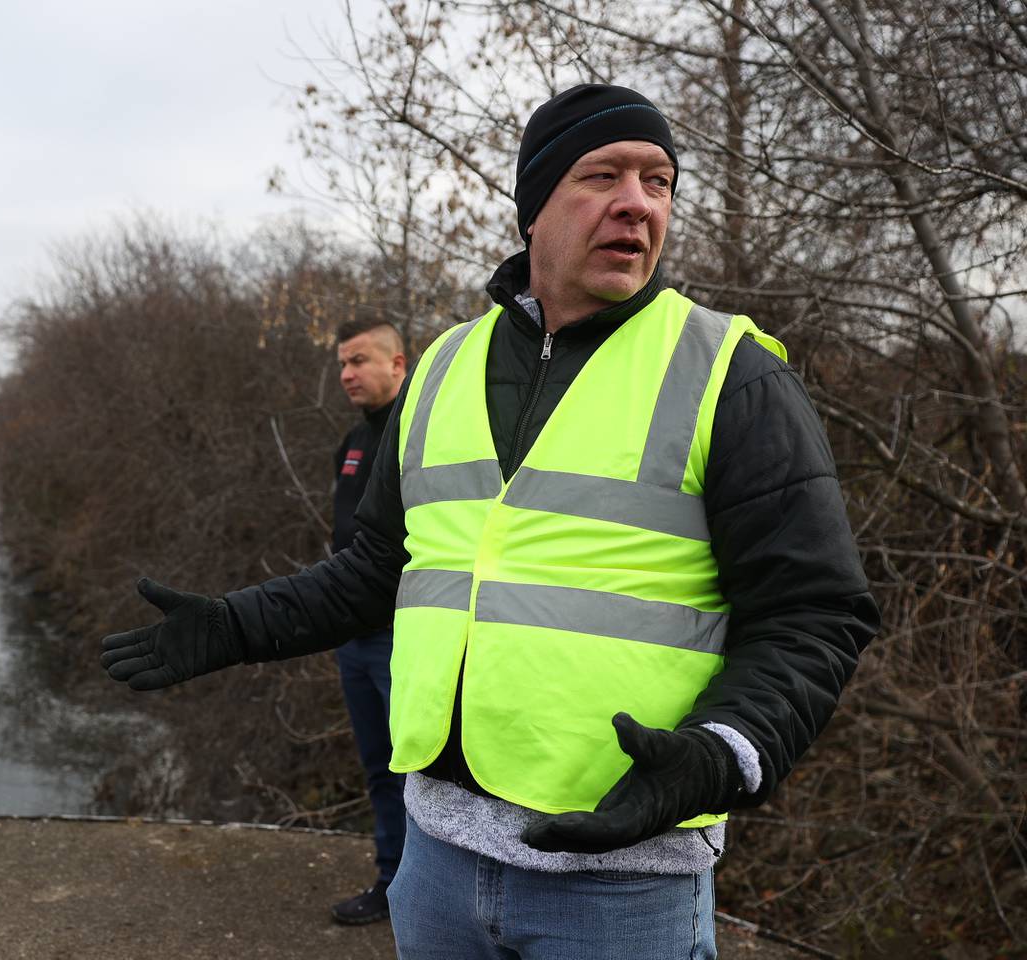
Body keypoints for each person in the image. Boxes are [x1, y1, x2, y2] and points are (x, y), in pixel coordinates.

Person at [102, 83, 878, 959]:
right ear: (533, 207)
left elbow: (815, 612)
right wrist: (238, 625)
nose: (638, 201)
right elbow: (377, 570)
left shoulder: (730, 373)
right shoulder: (440, 368)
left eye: (658, 181)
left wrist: (716, 754)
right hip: (435, 862)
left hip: (625, 879)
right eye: (603, 175)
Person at [327, 319, 408, 925]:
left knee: (419, 774)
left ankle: (426, 896)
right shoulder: (352, 442)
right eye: (342, 364)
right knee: (379, 768)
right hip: (352, 638)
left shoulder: (423, 435)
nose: (348, 374)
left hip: (402, 637)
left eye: (359, 361)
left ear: (397, 365)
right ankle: (390, 885)